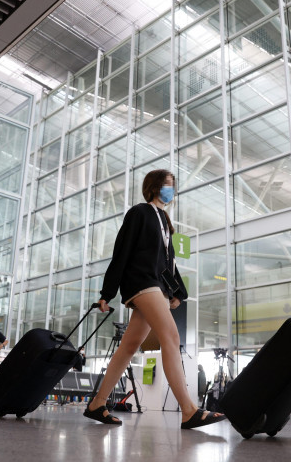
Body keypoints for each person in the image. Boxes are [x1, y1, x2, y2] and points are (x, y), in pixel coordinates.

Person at [85, 169, 226, 430]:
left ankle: (97, 404)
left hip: (156, 286)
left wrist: (175, 292)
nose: (171, 190)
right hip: (141, 283)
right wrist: (107, 293)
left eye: (172, 186)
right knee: (170, 337)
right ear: (154, 187)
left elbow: (168, 263)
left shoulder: (164, 219)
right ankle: (188, 410)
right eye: (167, 185)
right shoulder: (139, 213)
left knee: (129, 347)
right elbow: (121, 252)